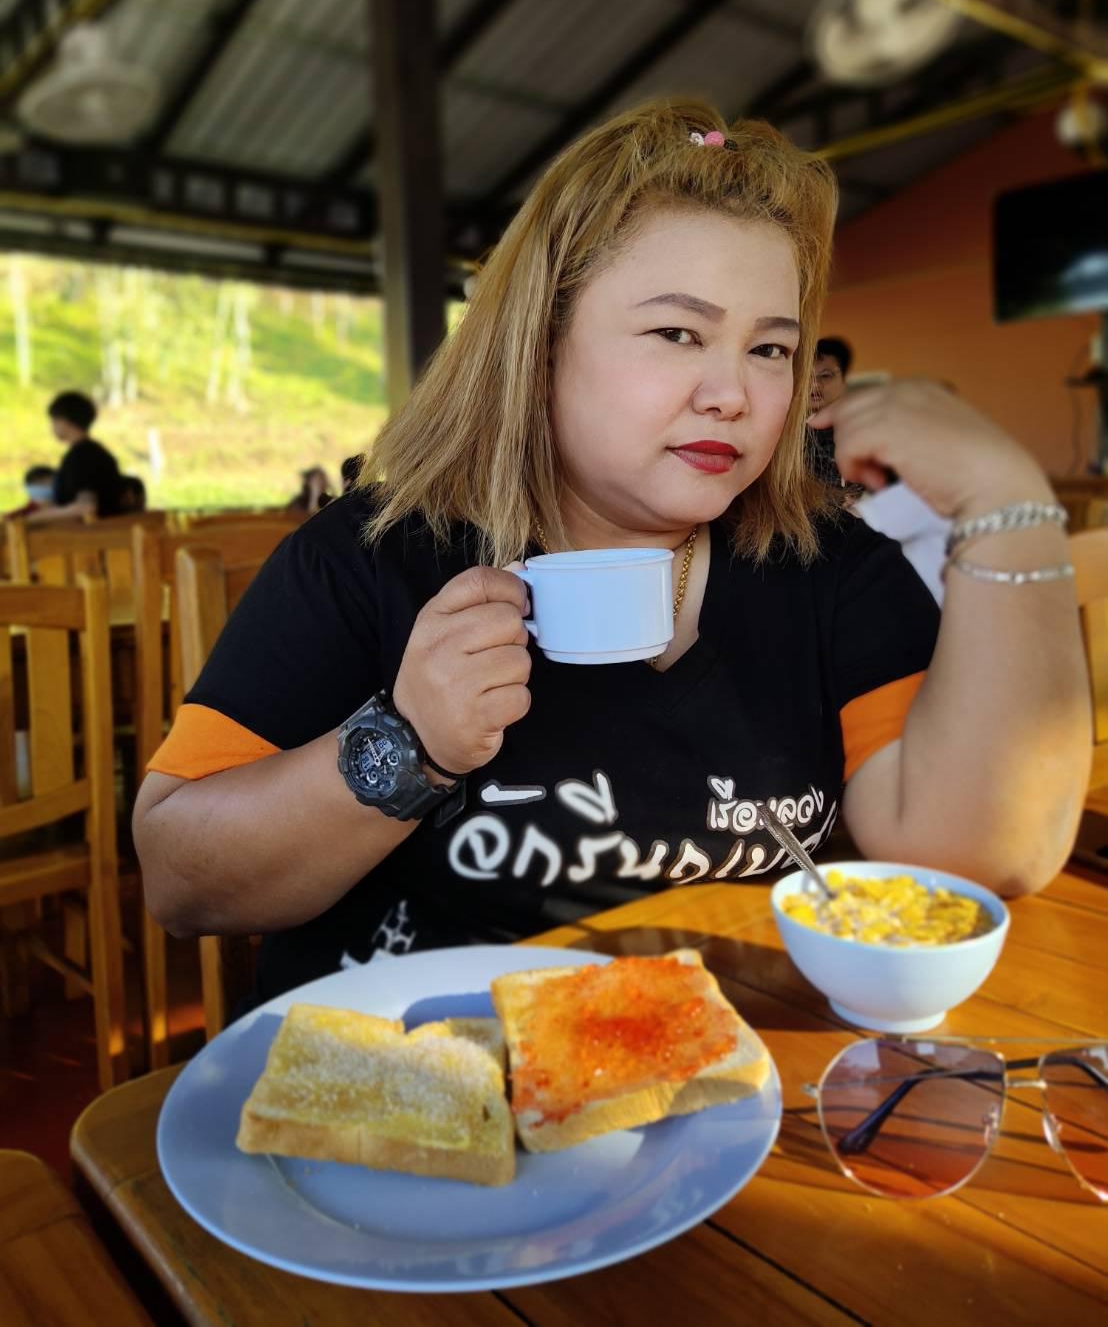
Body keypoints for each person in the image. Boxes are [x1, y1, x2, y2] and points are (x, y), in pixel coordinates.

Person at [133, 97, 1089, 1005]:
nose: (733, 393)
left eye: (770, 349)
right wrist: (408, 743)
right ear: (541, 343)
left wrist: (1010, 504)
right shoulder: (375, 555)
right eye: (678, 332)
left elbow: (981, 854)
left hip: (720, 1084)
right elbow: (181, 876)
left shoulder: (826, 566)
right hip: (413, 1080)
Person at [30, 391, 123, 522]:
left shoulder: (82, 456)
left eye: (54, 420)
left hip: (93, 533)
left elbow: (87, 507)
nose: (52, 426)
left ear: (65, 421)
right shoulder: (95, 452)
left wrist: (33, 518)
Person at [808, 336, 853, 487]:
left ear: (844, 380)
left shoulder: (858, 428)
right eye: (807, 376)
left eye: (825, 376)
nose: (814, 385)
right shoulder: (786, 432)